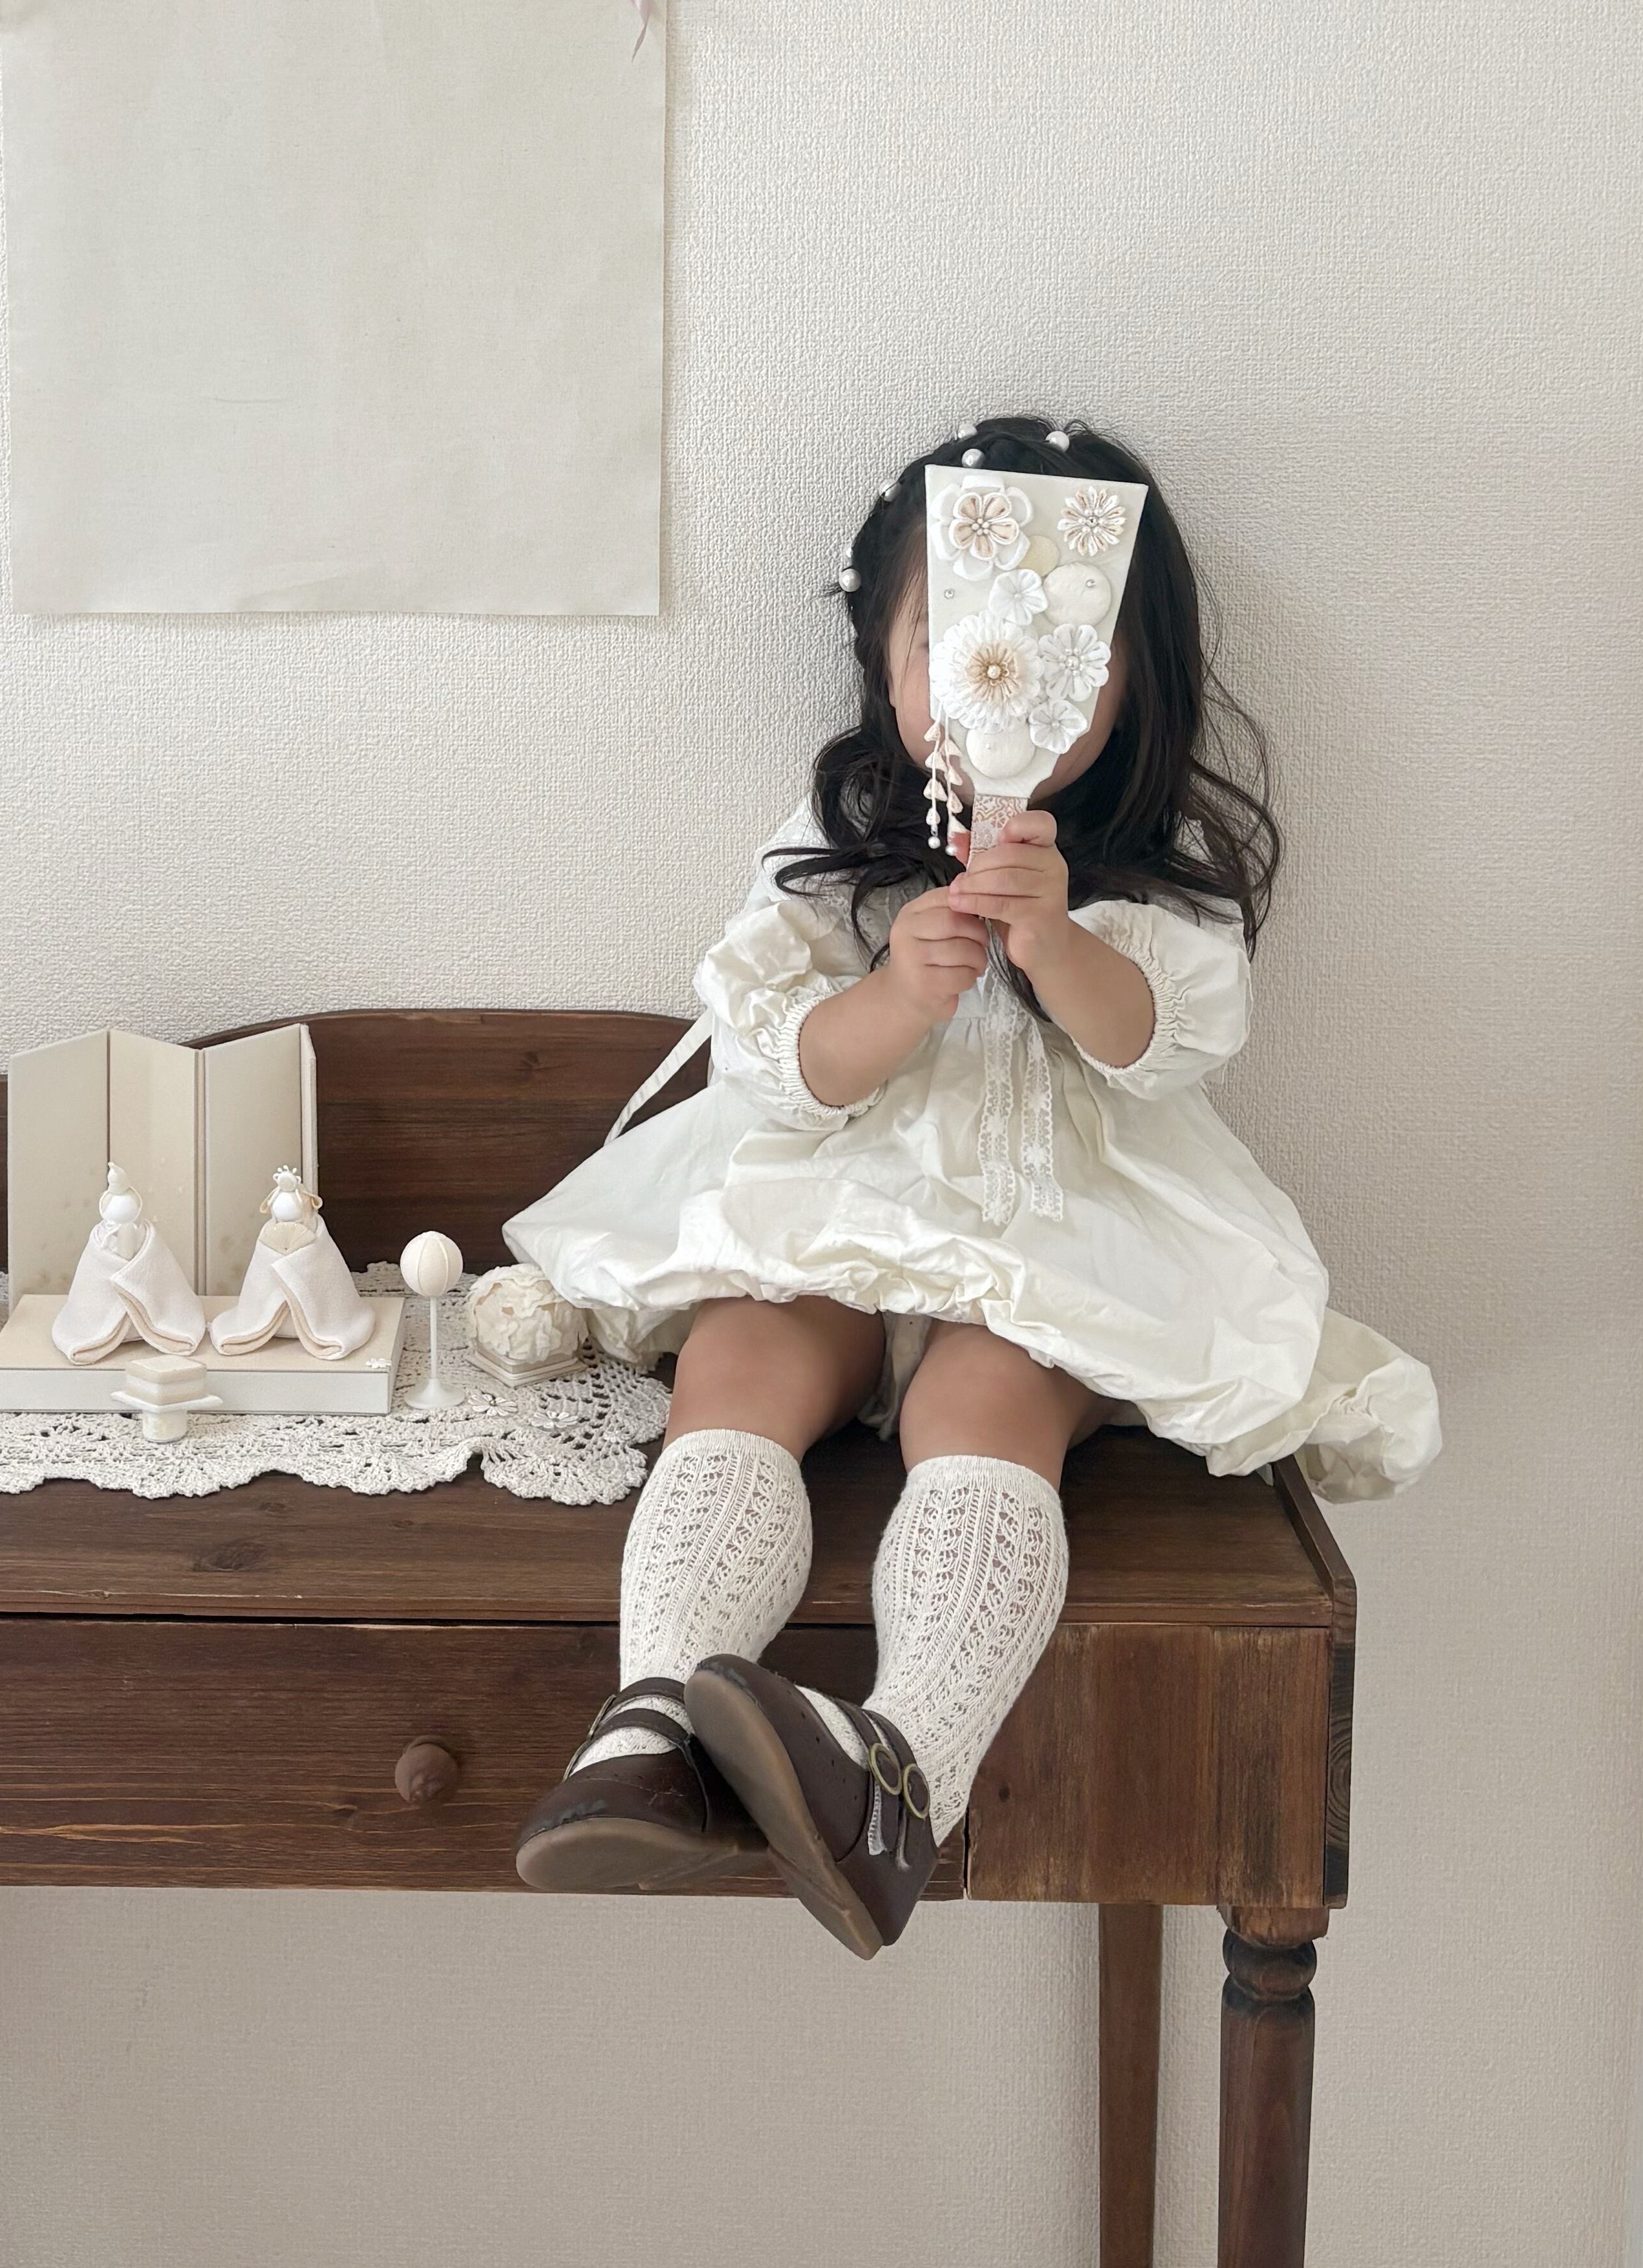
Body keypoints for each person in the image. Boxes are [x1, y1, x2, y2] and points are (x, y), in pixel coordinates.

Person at [507, 413, 1438, 1959]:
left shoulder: (1151, 868)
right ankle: (652, 1722)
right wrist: (891, 996)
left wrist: (1055, 941)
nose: (1001, 682)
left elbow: (1158, 1045)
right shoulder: (840, 846)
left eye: (1065, 650)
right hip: (841, 1207)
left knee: (985, 1404)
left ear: (1130, 673)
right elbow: (777, 1060)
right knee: (740, 1358)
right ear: (885, 659)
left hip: (1046, 1233)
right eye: (948, 641)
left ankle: (900, 1774)